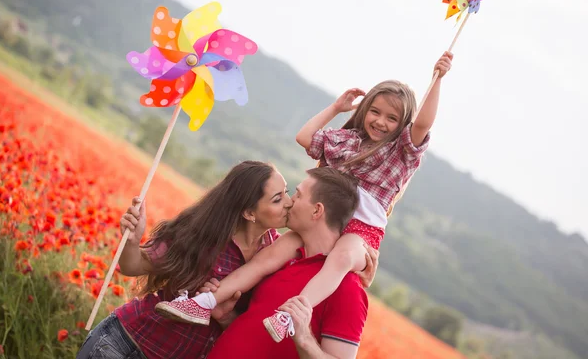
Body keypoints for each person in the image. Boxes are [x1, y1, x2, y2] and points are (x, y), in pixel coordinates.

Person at [155, 52, 453, 343]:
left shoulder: (400, 153)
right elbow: (305, 137)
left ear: (402, 124)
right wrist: (336, 108)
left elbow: (423, 124)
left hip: (361, 234)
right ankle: (203, 302)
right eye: (375, 112)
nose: (380, 122)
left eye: (392, 118)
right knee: (268, 257)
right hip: (324, 221)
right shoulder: (349, 141)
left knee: (340, 258)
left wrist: (437, 78)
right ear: (364, 111)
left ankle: (290, 315)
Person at [76, 161, 378, 359]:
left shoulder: (277, 255)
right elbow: (133, 266)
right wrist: (131, 240)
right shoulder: (206, 236)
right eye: (279, 198)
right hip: (128, 346)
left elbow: (244, 322)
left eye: (291, 193)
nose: (289, 202)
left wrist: (223, 315)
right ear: (249, 212)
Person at [207, 167, 369, 359]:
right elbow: (257, 334)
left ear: (317, 210)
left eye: (298, 195)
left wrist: (304, 339)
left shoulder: (346, 287)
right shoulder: (282, 260)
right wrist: (227, 318)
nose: (290, 201)